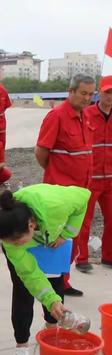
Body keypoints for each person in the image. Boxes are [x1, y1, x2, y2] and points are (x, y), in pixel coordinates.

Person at [0, 184, 91, 355]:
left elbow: (83, 196)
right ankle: (21, 346)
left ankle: (52, 331)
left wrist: (66, 233)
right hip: (35, 242)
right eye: (8, 243)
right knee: (23, 290)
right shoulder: (13, 242)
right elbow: (30, 274)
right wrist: (49, 298)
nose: (13, 245)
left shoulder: (56, 205)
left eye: (16, 241)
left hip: (52, 243)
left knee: (55, 286)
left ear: (31, 225)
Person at [35, 73, 96, 296]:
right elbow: (41, 152)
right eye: (83, 93)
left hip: (81, 192)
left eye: (91, 94)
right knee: (54, 237)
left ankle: (63, 278)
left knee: (74, 237)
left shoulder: (85, 116)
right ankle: (47, 282)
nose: (87, 98)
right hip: (60, 191)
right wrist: (55, 175)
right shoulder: (56, 116)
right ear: (70, 92)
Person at [76, 75, 112, 271]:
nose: (110, 97)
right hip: (90, 179)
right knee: (84, 220)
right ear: (99, 93)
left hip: (110, 180)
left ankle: (108, 256)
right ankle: (82, 259)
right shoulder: (87, 114)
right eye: (107, 92)